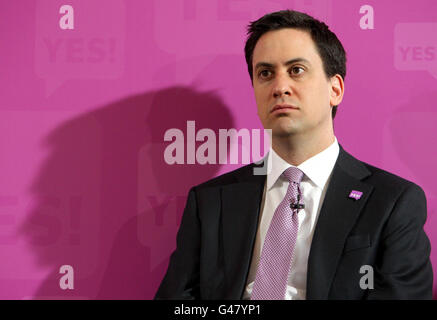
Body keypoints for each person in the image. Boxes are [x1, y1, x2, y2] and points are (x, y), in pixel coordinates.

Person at [155, 10, 433, 300]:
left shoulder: (392, 201)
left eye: (296, 70)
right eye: (265, 74)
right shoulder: (210, 201)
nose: (279, 87)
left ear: (335, 89)